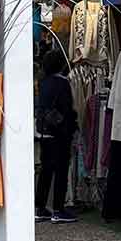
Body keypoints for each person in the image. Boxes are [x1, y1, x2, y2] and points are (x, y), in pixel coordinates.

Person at [35, 50, 78, 223]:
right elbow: (66, 109)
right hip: (59, 132)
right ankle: (58, 209)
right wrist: (71, 126)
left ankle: (40, 207)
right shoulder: (63, 83)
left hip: (44, 131)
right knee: (61, 169)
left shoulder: (43, 82)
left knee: (46, 170)